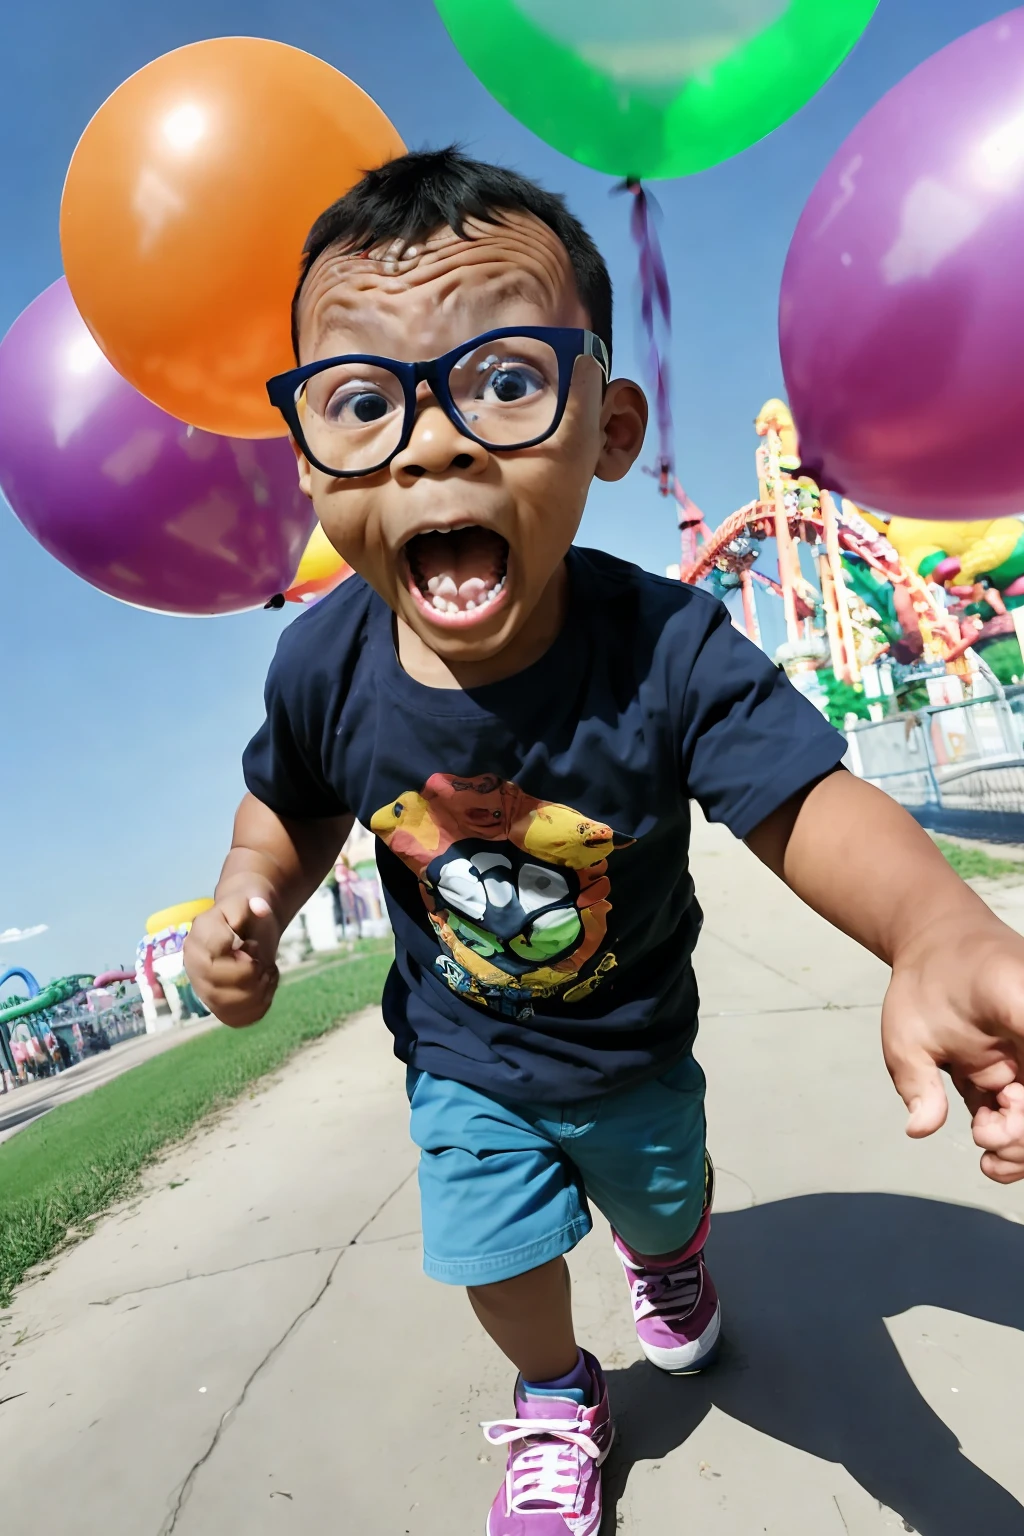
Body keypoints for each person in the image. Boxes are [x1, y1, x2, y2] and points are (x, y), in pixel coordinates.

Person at [185, 149, 1024, 1535]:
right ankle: (560, 1392)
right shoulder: (323, 664)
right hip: (467, 1055)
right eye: (360, 402)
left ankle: (676, 1258)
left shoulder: (667, 648)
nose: (433, 441)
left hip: (634, 1042)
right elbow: (290, 798)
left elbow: (805, 796)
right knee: (493, 1254)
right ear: (309, 466)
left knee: (661, 1205)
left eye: (505, 380)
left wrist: (935, 925)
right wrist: (249, 898)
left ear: (611, 427)